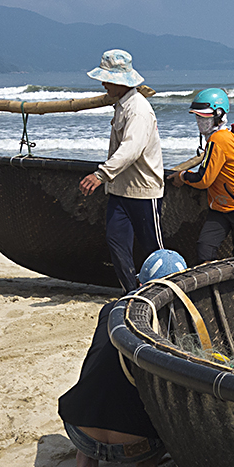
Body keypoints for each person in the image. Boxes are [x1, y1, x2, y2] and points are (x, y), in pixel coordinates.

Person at [60, 249, 189, 467]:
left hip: (80, 429)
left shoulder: (111, 310)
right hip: (138, 444)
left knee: (96, 382)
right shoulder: (172, 323)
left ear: (140, 283)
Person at [78, 49, 164, 293]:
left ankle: (161, 292)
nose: (103, 83)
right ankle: (131, 291)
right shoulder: (121, 105)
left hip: (144, 192)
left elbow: (131, 149)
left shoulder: (138, 109)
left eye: (106, 79)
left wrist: (99, 174)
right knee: (117, 243)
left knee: (153, 250)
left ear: (119, 82)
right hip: (120, 190)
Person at [172, 89, 234, 262]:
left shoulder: (218, 140)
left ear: (219, 116)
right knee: (206, 247)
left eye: (204, 118)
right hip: (220, 208)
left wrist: (182, 176)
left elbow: (203, 180)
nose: (200, 122)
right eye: (198, 117)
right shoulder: (227, 136)